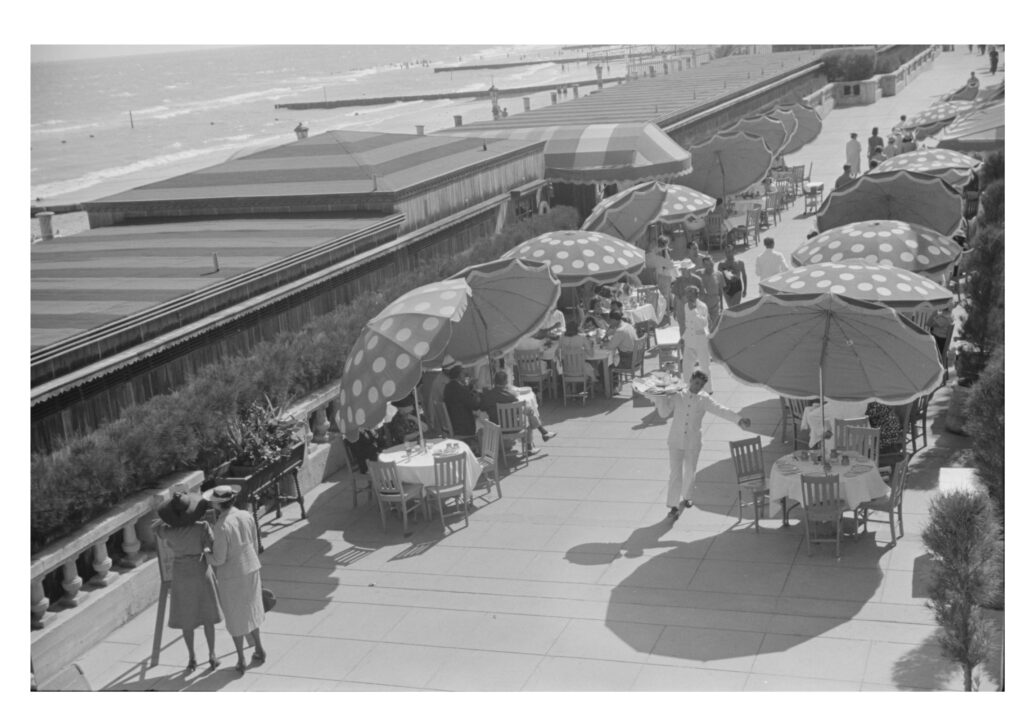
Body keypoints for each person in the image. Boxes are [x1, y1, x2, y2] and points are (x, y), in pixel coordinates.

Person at [652, 370, 751, 518]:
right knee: (675, 474)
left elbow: (720, 409)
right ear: (691, 380)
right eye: (696, 383)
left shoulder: (704, 399)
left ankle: (686, 497)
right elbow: (664, 413)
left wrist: (738, 419)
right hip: (675, 441)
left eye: (701, 385)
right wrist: (659, 398)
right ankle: (673, 506)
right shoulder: (677, 394)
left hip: (693, 443)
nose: (698, 387)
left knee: (690, 471)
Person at [154, 490, 221, 672]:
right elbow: (211, 543)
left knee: (186, 618)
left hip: (181, 575)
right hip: (200, 570)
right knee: (207, 616)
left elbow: (156, 527)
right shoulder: (202, 527)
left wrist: (170, 519)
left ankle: (191, 657)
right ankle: (212, 654)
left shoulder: (169, 532)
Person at [204, 484, 266, 674]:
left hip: (232, 576)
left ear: (217, 504)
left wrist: (207, 553)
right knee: (252, 609)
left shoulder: (222, 527)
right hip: (252, 567)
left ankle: (241, 658)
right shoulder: (246, 515)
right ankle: (259, 648)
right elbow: (255, 543)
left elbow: (219, 559)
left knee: (235, 617)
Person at [479, 369, 555, 453]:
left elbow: (482, 408)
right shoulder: (510, 396)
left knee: (528, 411)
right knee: (528, 415)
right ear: (505, 382)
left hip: (496, 427)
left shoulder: (488, 395)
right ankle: (532, 445)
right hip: (513, 428)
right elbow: (519, 410)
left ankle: (543, 433)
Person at [677, 286, 712, 391]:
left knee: (704, 366)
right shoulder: (686, 306)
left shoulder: (702, 306)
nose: (688, 296)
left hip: (701, 339)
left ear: (696, 295)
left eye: (691, 294)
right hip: (690, 340)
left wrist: (694, 311)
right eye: (687, 294)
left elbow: (704, 323)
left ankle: (708, 389)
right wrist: (683, 338)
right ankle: (687, 388)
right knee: (686, 366)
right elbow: (688, 325)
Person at [442, 364, 483, 447]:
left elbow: (464, 397)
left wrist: (469, 387)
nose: (466, 376)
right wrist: (478, 396)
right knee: (484, 423)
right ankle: (481, 449)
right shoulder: (459, 389)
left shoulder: (448, 387)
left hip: (454, 422)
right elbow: (475, 406)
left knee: (478, 418)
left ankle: (474, 446)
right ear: (459, 376)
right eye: (464, 374)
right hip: (463, 427)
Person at [698, 255, 725, 329]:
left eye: (710, 263)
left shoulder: (719, 274)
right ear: (703, 265)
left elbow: (720, 291)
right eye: (706, 264)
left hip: (715, 305)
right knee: (705, 327)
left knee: (715, 326)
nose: (709, 266)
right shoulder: (699, 274)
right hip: (703, 306)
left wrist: (722, 306)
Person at [718, 243, 747, 308]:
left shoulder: (740, 262)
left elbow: (744, 275)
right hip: (726, 288)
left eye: (729, 252)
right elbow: (719, 280)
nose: (728, 254)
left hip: (737, 286)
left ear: (733, 252)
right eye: (726, 252)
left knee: (735, 307)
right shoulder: (721, 264)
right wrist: (719, 294)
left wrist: (745, 289)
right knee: (730, 307)